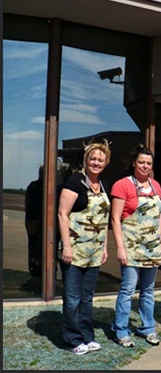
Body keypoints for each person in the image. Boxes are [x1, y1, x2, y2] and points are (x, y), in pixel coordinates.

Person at [57, 140, 112, 355]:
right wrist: (67, 247)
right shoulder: (75, 182)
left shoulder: (104, 185)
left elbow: (103, 221)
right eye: (93, 158)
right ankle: (72, 339)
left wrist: (105, 247)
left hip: (95, 252)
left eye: (100, 159)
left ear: (106, 162)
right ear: (86, 160)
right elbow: (62, 215)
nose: (96, 162)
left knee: (87, 298)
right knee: (72, 298)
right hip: (75, 251)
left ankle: (88, 337)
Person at [110, 144, 161, 348]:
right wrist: (120, 248)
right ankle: (121, 329)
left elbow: (159, 217)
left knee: (148, 290)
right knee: (127, 289)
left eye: (148, 163)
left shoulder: (156, 186)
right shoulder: (122, 185)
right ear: (134, 162)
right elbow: (115, 219)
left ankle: (147, 328)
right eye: (141, 162)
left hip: (152, 247)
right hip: (131, 247)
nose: (145, 166)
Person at [25, 165, 44, 278]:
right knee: (35, 246)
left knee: (34, 246)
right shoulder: (35, 186)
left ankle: (36, 271)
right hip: (35, 221)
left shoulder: (33, 186)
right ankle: (36, 271)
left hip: (33, 221)